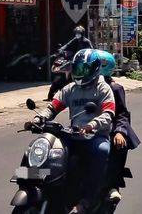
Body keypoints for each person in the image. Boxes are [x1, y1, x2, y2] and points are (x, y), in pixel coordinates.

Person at [34, 49, 116, 214]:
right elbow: (53, 106)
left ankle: (87, 201)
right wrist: (39, 119)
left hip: (95, 136)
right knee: (50, 155)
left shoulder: (103, 88)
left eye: (83, 69)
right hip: (72, 135)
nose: (79, 73)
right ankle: (30, 178)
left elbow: (108, 114)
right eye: (77, 69)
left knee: (102, 150)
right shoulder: (70, 88)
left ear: (94, 68)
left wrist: (91, 125)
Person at [93, 50, 141, 204]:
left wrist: (119, 132)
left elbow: (121, 113)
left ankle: (111, 185)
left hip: (109, 128)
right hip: (84, 129)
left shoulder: (114, 88)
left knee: (115, 146)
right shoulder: (82, 86)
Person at [47, 26, 93, 101]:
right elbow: (67, 45)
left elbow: (91, 51)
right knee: (64, 68)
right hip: (74, 60)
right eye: (76, 33)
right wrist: (61, 49)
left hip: (83, 62)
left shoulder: (86, 42)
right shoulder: (75, 40)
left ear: (82, 34)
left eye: (79, 33)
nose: (77, 35)